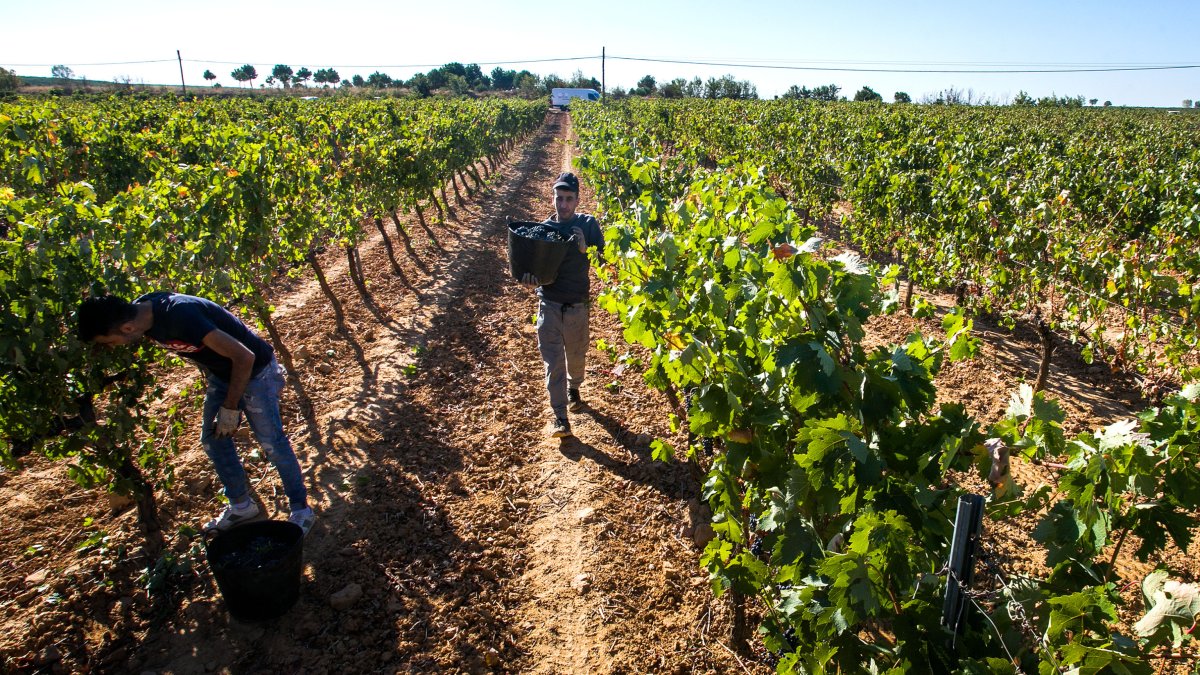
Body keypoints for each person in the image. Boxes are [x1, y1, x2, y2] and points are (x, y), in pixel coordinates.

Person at [77, 292, 316, 535]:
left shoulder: (180, 315)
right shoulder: (142, 314)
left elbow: (245, 356)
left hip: (256, 372)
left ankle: (301, 509)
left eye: (109, 342)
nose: (112, 348)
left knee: (271, 442)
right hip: (224, 374)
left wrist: (230, 407)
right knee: (213, 439)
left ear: (127, 328)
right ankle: (242, 505)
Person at [520, 172, 605, 438]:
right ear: (553, 198)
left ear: (578, 200)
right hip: (549, 304)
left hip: (578, 305)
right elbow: (531, 270)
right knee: (553, 362)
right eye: (559, 198)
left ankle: (575, 387)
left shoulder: (589, 226)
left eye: (569, 199)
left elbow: (606, 262)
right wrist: (528, 280)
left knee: (577, 356)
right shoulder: (544, 230)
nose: (563, 204)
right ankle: (560, 417)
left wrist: (585, 250)